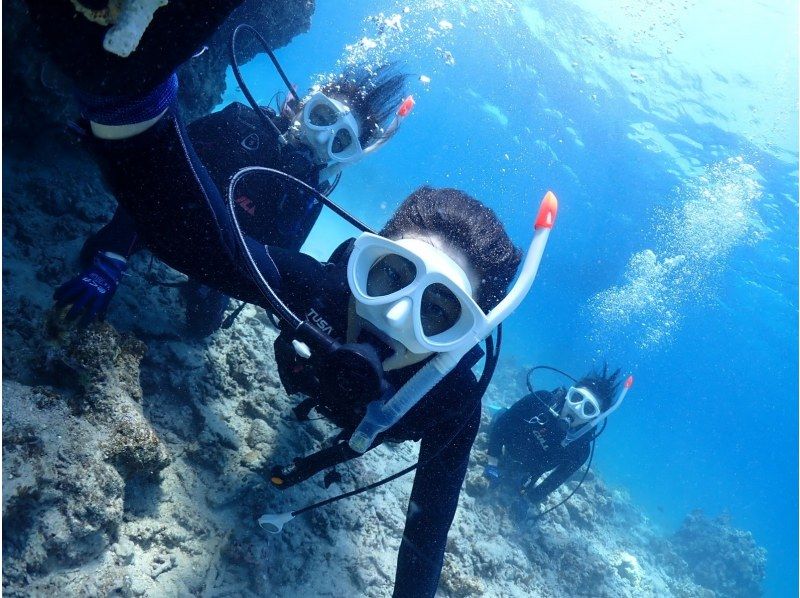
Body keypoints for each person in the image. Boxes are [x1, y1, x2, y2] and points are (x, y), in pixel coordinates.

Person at [22, 2, 557, 596]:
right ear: (362, 259)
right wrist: (127, 100)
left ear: (468, 333)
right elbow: (185, 230)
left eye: (440, 311)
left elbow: (424, 541)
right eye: (390, 275)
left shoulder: (452, 404)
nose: (397, 317)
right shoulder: (322, 292)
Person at [53, 53, 409, 335]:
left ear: (345, 158)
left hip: (218, 259)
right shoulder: (237, 123)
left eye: (341, 141)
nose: (321, 137)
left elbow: (275, 261)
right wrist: (113, 257)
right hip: (158, 219)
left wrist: (217, 281)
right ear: (303, 105)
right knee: (92, 257)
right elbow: (151, 168)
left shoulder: (306, 196)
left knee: (201, 330)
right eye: (322, 116)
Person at [485, 365, 630, 519]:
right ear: (569, 394)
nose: (577, 408)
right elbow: (504, 424)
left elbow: (556, 479)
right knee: (500, 417)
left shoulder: (581, 449)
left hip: (527, 469)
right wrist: (492, 461)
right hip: (506, 443)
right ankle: (496, 410)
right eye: (576, 397)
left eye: (588, 409)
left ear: (594, 419)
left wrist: (529, 499)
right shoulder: (541, 400)